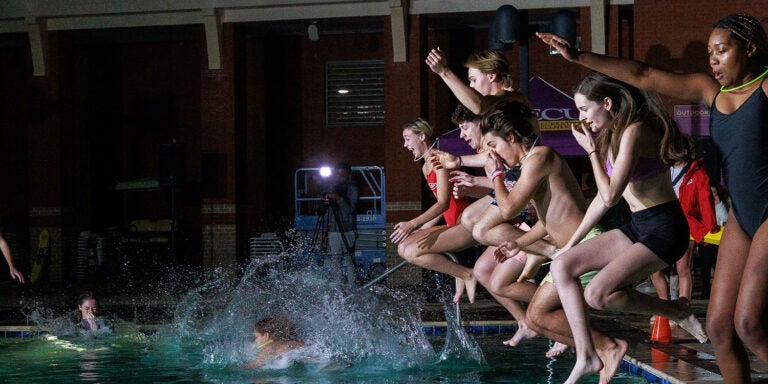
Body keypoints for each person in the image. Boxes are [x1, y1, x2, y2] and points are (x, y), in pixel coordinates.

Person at [538, 14, 768, 382]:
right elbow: (644, 75)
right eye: (709, 52)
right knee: (721, 328)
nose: (712, 60)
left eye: (721, 51)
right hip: (743, 217)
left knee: (749, 325)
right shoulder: (711, 92)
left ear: (751, 49)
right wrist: (579, 56)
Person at [541, 71, 707, 384]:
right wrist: (571, 244)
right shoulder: (613, 134)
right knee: (563, 264)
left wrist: (590, 152)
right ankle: (587, 354)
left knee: (598, 294)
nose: (582, 118)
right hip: (638, 225)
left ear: (606, 103)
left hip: (665, 228)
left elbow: (611, 195)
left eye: (585, 109)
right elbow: (600, 203)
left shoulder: (635, 131)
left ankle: (677, 312)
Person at [392, 118, 476, 300]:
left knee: (413, 251)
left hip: (466, 224)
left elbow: (444, 203)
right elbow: (440, 205)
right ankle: (459, 273)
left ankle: (466, 274)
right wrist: (420, 230)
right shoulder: (425, 167)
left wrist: (413, 224)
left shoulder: (441, 160)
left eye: (407, 139)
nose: (405, 145)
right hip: (452, 224)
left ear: (422, 136)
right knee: (403, 247)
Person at [650, 138, 717, 305]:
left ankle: (683, 311)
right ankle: (664, 309)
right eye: (670, 147)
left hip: (687, 226)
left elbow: (705, 201)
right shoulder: (661, 170)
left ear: (686, 151)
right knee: (655, 270)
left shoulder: (698, 173)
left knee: (683, 269)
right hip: (662, 224)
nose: (671, 150)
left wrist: (710, 227)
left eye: (676, 147)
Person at [324, 162, 359, 285]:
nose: (340, 177)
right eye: (338, 174)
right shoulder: (330, 188)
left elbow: (351, 209)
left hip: (347, 229)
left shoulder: (352, 189)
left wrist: (339, 199)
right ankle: (337, 287)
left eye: (342, 174)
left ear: (348, 175)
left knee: (349, 259)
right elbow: (325, 211)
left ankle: (352, 287)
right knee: (335, 260)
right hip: (333, 230)